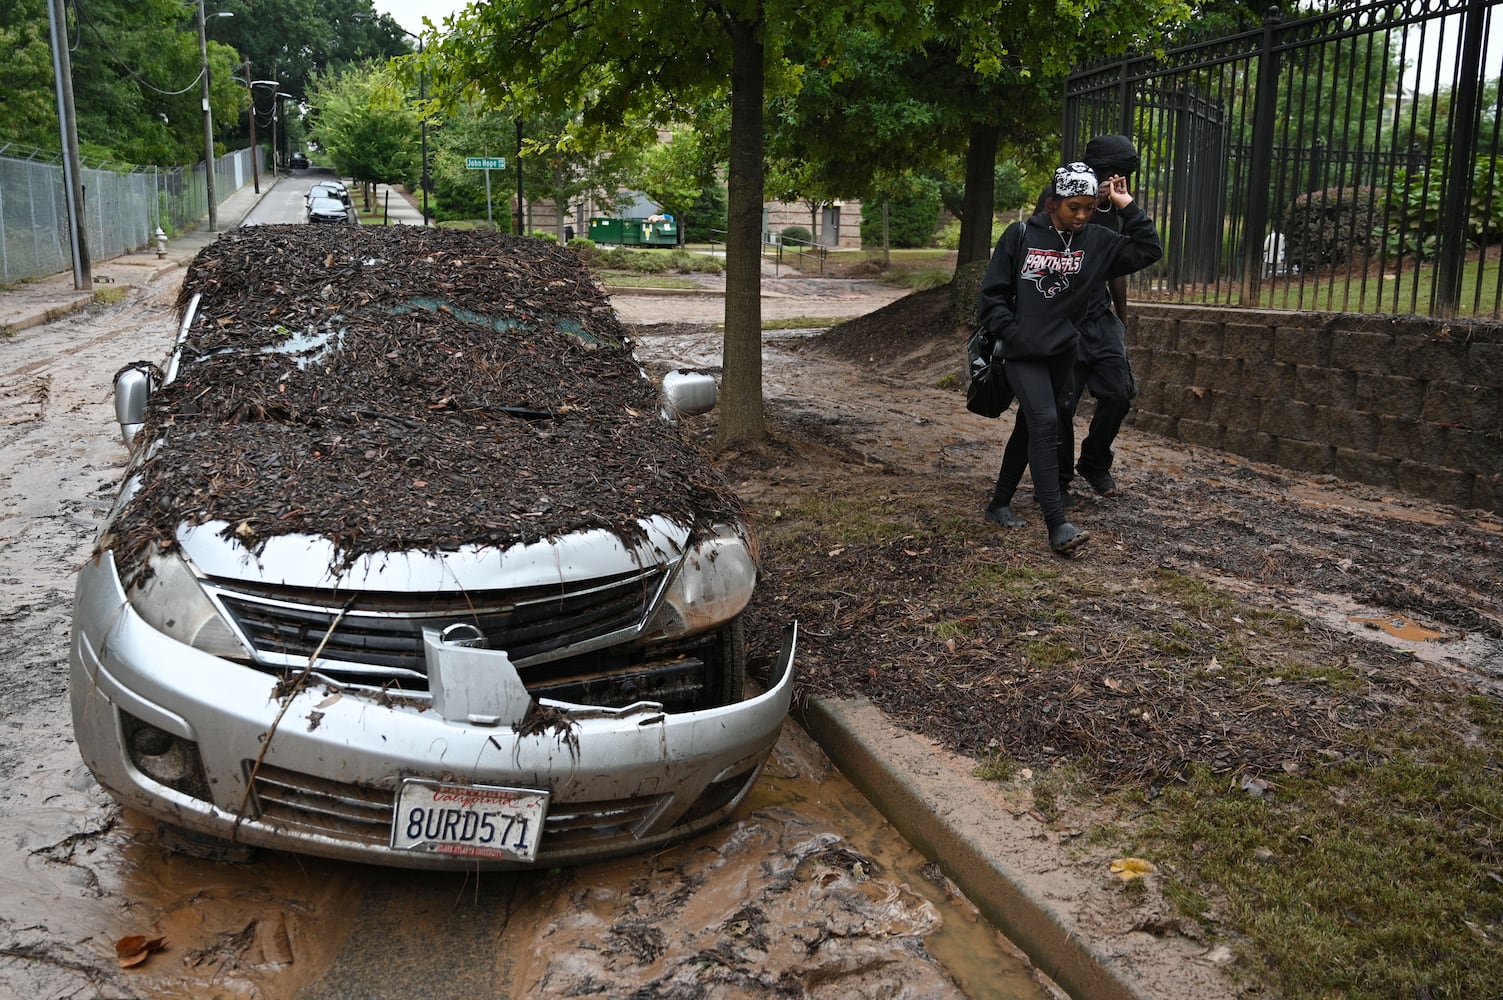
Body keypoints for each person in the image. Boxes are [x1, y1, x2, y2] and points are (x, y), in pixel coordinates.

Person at [975, 162, 1161, 555]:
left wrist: (1125, 205)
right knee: (1045, 423)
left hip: (1062, 352)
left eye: (1089, 208)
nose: (1080, 216)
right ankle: (1058, 524)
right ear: (1053, 202)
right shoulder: (1021, 235)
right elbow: (991, 298)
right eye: (1073, 207)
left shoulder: (1096, 241)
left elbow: (1148, 249)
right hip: (1022, 352)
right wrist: (1015, 332)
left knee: (1030, 425)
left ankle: (998, 504)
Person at [1060, 134, 1142, 499]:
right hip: (1061, 317)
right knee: (1063, 402)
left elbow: (1119, 265)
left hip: (1099, 315)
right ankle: (1057, 478)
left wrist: (1120, 318)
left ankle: (1094, 461)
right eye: (1110, 172)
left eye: (1122, 173)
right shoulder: (1063, 196)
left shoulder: (1117, 210)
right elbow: (1040, 241)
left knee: (1120, 392)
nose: (1115, 179)